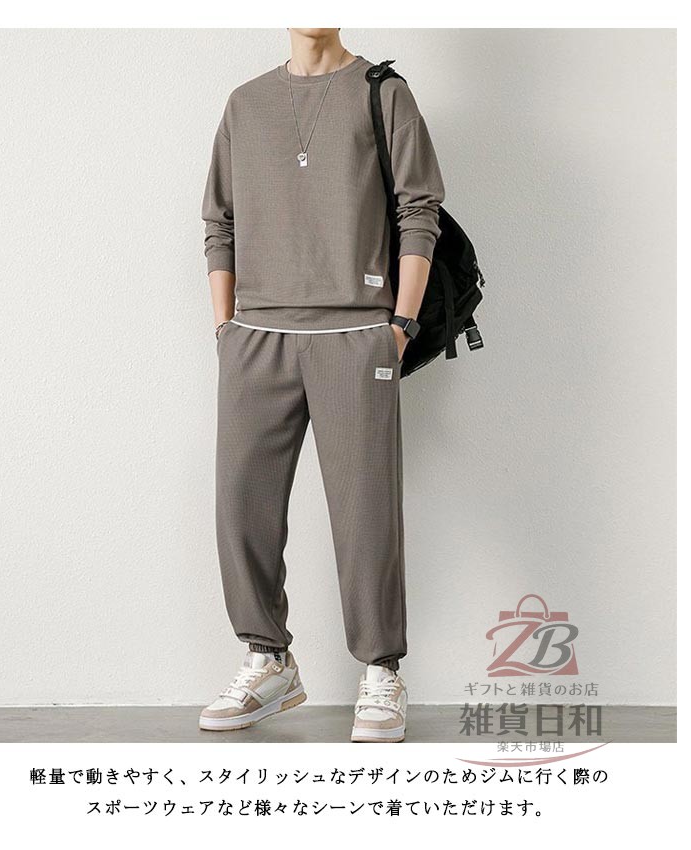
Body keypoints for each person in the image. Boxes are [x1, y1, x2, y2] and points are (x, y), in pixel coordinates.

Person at [199, 28, 445, 743]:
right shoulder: (245, 103)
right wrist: (225, 329)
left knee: (366, 513)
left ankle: (382, 671)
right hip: (257, 336)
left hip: (356, 332)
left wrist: (399, 324)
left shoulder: (384, 94)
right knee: (240, 508)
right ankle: (268, 660)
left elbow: (418, 211)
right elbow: (219, 221)